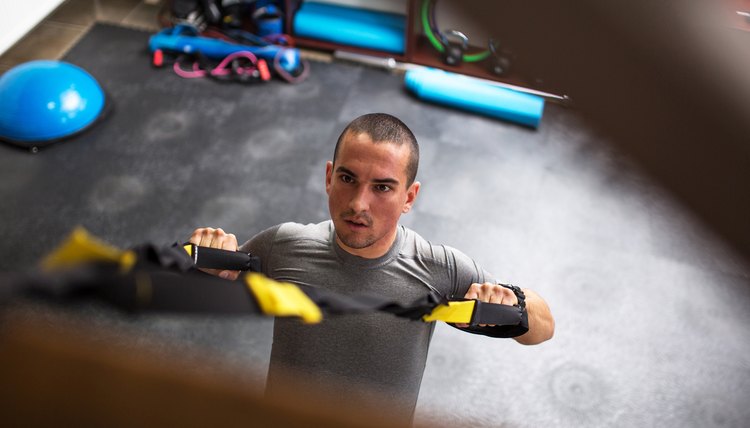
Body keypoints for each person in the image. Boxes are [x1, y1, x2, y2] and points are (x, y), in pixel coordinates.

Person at [189, 113, 554, 424]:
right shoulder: (283, 246)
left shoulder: (437, 268)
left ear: (409, 197)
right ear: (329, 177)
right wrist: (204, 257)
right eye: (348, 179)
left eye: (382, 187)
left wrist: (514, 305)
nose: (359, 204)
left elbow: (543, 327)